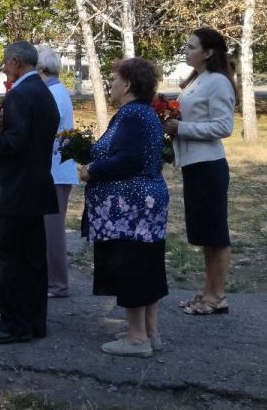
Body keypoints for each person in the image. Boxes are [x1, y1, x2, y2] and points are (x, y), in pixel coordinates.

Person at [79, 57, 169, 359]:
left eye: (115, 79)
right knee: (147, 266)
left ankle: (136, 338)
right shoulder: (143, 113)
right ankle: (150, 332)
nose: (111, 84)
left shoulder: (131, 115)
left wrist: (92, 170)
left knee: (131, 267)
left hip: (129, 210)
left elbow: (126, 159)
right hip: (144, 206)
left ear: (128, 84)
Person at [0, 41, 60, 344]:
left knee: (2, 255)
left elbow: (14, 142)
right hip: (34, 188)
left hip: (12, 191)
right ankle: (33, 321)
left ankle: (13, 323)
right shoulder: (43, 92)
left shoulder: (21, 95)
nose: (3, 67)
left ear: (15, 62)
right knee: (31, 259)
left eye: (4, 62)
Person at [165, 27, 237, 316]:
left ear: (208, 53)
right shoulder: (198, 80)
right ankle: (208, 291)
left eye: (192, 46)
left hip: (209, 165)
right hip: (194, 165)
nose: (187, 50)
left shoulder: (218, 82)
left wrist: (181, 128)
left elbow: (224, 127)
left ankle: (217, 295)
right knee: (205, 233)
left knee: (216, 233)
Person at [36, 46, 78, 298]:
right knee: (47, 228)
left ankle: (57, 283)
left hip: (56, 170)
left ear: (41, 69)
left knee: (52, 230)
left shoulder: (53, 93)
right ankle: (51, 280)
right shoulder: (55, 90)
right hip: (55, 169)